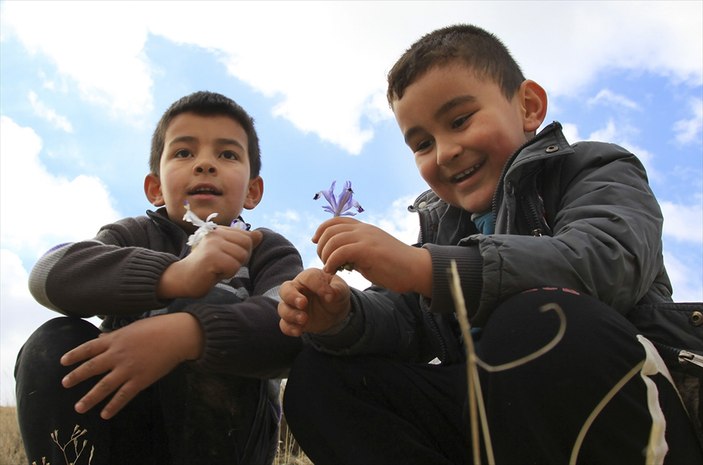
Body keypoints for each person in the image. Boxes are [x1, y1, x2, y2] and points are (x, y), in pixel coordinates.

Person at [277, 24, 703, 464]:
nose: (444, 152)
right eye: (422, 144)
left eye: (459, 121)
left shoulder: (595, 168)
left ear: (529, 106)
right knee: (319, 377)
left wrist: (430, 270)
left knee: (535, 316)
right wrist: (342, 315)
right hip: (493, 420)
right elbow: (405, 319)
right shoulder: (441, 233)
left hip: (620, 409)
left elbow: (607, 263)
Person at [15, 91, 303, 465]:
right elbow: (47, 275)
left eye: (227, 154)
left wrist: (188, 334)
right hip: (119, 430)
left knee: (215, 303)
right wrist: (172, 276)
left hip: (223, 441)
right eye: (184, 153)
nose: (204, 164)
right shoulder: (130, 236)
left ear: (252, 191)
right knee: (52, 341)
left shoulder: (268, 250)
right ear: (154, 188)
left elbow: (292, 330)